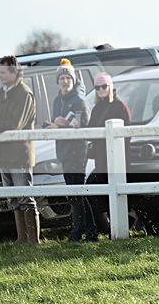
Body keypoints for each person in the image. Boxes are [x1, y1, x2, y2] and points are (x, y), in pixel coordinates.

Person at [44, 59, 94, 242]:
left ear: (73, 80)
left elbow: (83, 125)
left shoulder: (79, 100)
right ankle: (87, 231)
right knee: (75, 194)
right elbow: (56, 121)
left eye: (68, 78)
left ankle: (81, 233)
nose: (65, 81)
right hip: (63, 149)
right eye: (62, 78)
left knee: (77, 193)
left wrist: (62, 125)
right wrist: (50, 125)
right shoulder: (58, 99)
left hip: (77, 150)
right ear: (58, 81)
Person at [0, 56, 40, 244]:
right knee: (12, 198)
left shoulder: (24, 93)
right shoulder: (0, 93)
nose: (0, 75)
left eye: (3, 72)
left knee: (25, 198)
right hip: (3, 155)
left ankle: (33, 240)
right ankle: (22, 238)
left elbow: (15, 124)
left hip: (19, 155)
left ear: (14, 72)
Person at [85, 72, 131, 238]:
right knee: (103, 194)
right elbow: (91, 130)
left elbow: (127, 133)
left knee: (117, 193)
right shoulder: (97, 108)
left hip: (118, 158)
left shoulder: (119, 106)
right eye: (98, 87)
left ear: (110, 87)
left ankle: (120, 230)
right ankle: (110, 229)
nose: (101, 90)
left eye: (104, 86)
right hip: (101, 159)